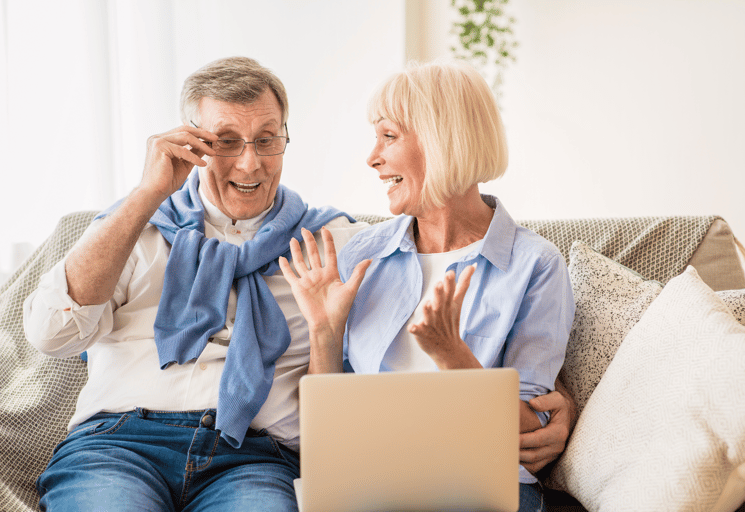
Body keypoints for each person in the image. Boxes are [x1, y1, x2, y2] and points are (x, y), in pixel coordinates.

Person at [22, 56, 371, 512]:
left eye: (267, 140)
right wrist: (147, 194)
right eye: (226, 142)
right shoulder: (136, 229)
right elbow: (53, 336)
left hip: (255, 459)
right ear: (192, 143)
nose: (250, 165)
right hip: (118, 446)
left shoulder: (334, 242)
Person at [280, 60, 576, 512]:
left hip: (477, 488)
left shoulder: (535, 265)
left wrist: (450, 354)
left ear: (442, 140)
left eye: (388, 136)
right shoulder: (363, 255)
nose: (372, 158)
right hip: (369, 481)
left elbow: (529, 435)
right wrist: (324, 330)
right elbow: (330, 424)